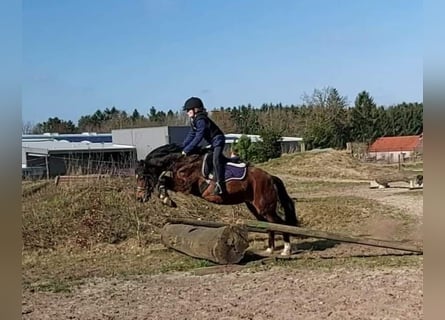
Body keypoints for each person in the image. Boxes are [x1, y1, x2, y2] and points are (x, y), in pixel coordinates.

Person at [181, 97, 226, 195]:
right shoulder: (194, 121)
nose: (187, 112)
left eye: (188, 110)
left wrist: (187, 150)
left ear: (195, 109)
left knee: (216, 159)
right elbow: (191, 135)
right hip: (213, 142)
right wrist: (182, 146)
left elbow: (198, 137)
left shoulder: (201, 120)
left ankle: (220, 184)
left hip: (218, 140)